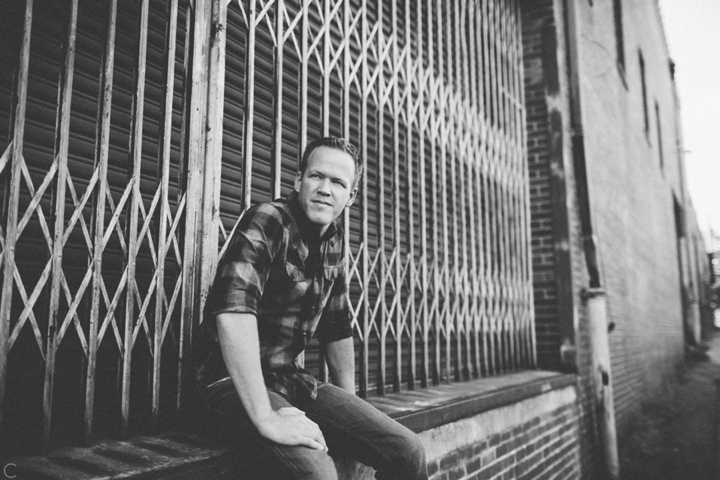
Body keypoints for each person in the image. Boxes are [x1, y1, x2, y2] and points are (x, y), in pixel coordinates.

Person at [194, 137, 428, 480]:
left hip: (289, 381)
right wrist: (266, 417)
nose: (324, 189)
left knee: (408, 451)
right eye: (316, 176)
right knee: (318, 473)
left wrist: (350, 413)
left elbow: (337, 327)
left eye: (338, 183)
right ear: (298, 181)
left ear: (350, 197)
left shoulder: (333, 240)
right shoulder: (268, 220)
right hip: (227, 386)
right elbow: (232, 312)